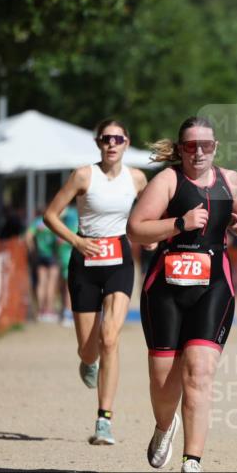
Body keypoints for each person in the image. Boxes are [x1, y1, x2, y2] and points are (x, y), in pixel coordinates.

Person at [127, 116, 237, 473]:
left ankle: (192, 462)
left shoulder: (231, 181)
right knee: (163, 379)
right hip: (165, 289)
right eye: (190, 146)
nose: (198, 152)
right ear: (180, 148)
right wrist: (180, 224)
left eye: (206, 145)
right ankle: (164, 426)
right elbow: (136, 228)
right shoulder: (168, 181)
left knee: (199, 371)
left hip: (214, 286)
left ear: (216, 147)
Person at [42, 119, 148, 445]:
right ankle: (87, 362)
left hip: (118, 260)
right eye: (106, 139)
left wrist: (152, 236)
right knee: (89, 349)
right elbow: (50, 215)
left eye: (117, 138)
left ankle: (104, 419)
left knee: (110, 339)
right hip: (85, 260)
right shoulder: (84, 175)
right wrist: (76, 241)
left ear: (126, 142)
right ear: (98, 143)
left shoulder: (138, 178)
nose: (112, 144)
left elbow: (150, 212)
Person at [25, 205, 60, 322]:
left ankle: (40, 310)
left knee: (41, 282)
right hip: (52, 255)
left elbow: (28, 236)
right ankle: (48, 310)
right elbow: (60, 239)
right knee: (51, 283)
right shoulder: (53, 221)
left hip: (39, 255)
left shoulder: (36, 222)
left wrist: (32, 249)